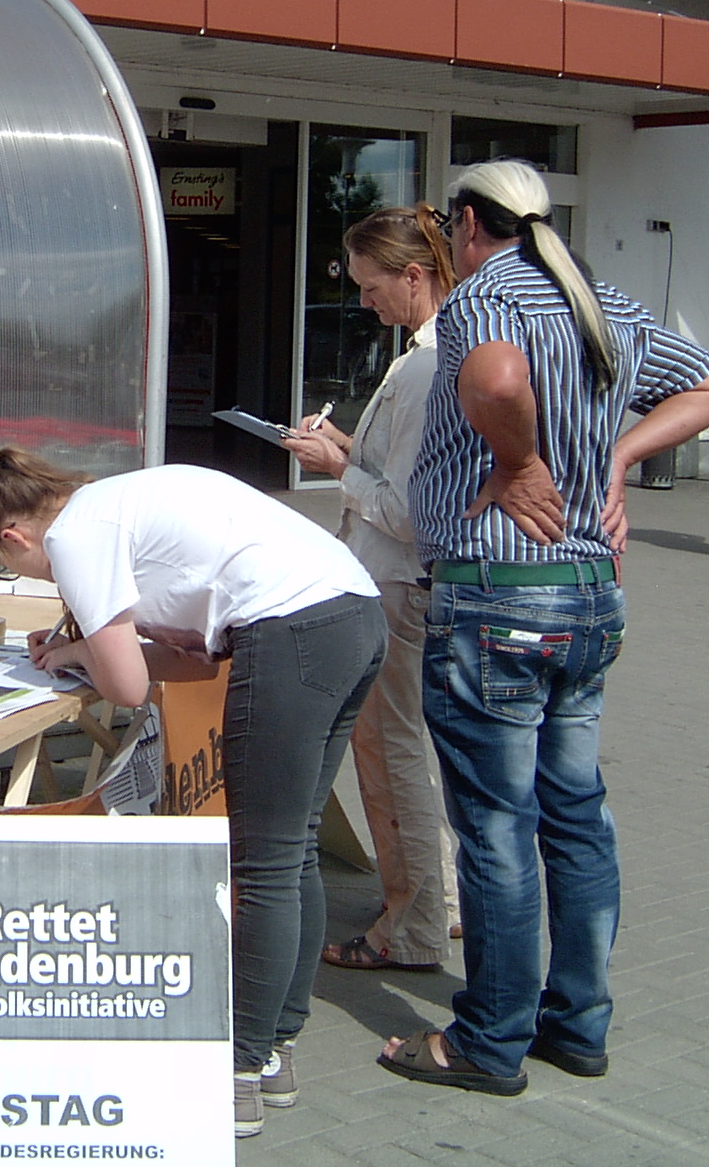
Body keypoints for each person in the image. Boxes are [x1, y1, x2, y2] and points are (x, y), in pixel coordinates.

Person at [380, 161, 709, 1096]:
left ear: (466, 223)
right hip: (587, 593)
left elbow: (499, 376)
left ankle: (489, 1040)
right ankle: (578, 1022)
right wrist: (618, 454)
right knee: (576, 816)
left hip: (498, 589)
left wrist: (519, 458)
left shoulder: (483, 297)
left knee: (497, 828)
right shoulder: (601, 302)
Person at [0, 450, 385, 1140]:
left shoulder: (73, 539)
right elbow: (191, 660)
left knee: (263, 863)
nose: (21, 576)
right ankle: (274, 1051)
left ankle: (238, 1072)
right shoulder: (115, 501)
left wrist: (90, 653)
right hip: (353, 614)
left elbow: (127, 689)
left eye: (2, 564)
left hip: (291, 632)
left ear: (13, 537)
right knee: (292, 847)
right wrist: (75, 652)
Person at [280, 205, 460, 975]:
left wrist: (336, 470)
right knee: (395, 755)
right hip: (392, 580)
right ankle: (430, 904)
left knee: (391, 759)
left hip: (395, 582)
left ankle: (414, 923)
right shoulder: (425, 353)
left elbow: (413, 512)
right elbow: (406, 475)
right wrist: (350, 448)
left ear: (414, 276)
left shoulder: (424, 364)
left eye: (371, 285)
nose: (363, 302)